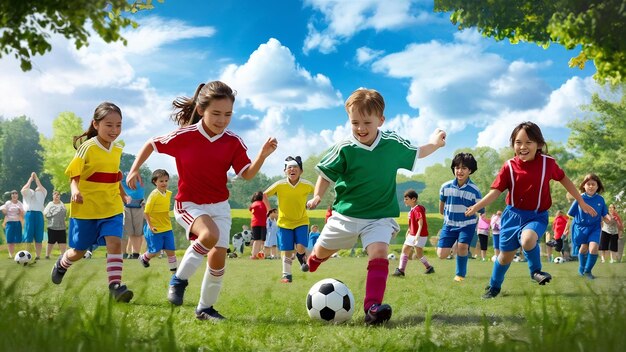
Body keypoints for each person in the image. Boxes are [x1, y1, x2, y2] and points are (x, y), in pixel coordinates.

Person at [126, 80, 277, 321]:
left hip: (219, 206)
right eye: (216, 113)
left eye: (228, 114)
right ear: (201, 110)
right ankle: (179, 279)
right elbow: (151, 144)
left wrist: (262, 155)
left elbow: (246, 175)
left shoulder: (233, 142)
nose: (222, 119)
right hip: (189, 205)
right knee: (209, 235)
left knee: (218, 258)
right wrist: (133, 170)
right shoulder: (184, 136)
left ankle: (205, 309)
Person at [306, 88, 446, 325]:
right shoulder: (344, 148)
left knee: (379, 252)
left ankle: (372, 308)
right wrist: (317, 196)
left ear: (381, 120)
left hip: (379, 216)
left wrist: (434, 144)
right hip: (345, 216)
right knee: (320, 252)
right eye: (355, 123)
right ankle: (315, 259)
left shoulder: (391, 143)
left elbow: (417, 152)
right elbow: (326, 174)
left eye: (366, 122)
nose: (360, 128)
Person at [466, 121, 596, 299]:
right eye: (518, 142)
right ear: (513, 145)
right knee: (504, 257)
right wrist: (476, 206)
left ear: (539, 144)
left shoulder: (548, 164)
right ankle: (494, 287)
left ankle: (535, 271)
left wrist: (581, 201)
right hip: (512, 216)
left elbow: (564, 179)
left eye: (529, 142)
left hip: (536, 216)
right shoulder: (509, 167)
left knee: (528, 240)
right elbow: (495, 192)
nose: (523, 147)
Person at [50, 102, 134, 302]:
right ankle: (62, 264)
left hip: (111, 206)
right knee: (78, 251)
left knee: (114, 242)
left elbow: (114, 175)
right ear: (95, 124)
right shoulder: (87, 147)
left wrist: (122, 194)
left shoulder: (118, 148)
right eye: (109, 125)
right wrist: (75, 190)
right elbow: (73, 174)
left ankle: (115, 287)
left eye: (118, 125)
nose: (114, 130)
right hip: (86, 207)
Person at [263, 156, 314, 283]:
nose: (292, 169)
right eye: (289, 167)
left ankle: (300, 255)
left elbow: (318, 191)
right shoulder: (280, 185)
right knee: (286, 250)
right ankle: (287, 275)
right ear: (285, 171)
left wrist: (314, 201)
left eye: (295, 167)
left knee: (301, 247)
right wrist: (269, 210)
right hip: (284, 223)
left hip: (301, 221)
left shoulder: (306, 185)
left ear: (301, 171)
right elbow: (264, 194)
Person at [436, 153, 483, 282]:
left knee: (462, 246)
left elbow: (480, 209)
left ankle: (460, 274)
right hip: (449, 224)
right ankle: (454, 243)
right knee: (441, 255)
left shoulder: (475, 190)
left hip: (467, 224)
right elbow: (442, 204)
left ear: (470, 170)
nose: (459, 171)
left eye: (463, 168)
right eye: (457, 168)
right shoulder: (445, 187)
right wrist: (445, 215)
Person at [567, 174, 611, 279]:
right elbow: (570, 215)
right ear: (584, 186)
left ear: (597, 186)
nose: (591, 186)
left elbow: (604, 213)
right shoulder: (579, 198)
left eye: (593, 184)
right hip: (581, 228)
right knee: (583, 248)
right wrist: (566, 229)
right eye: (588, 184)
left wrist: (608, 218)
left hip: (595, 227)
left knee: (593, 248)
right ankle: (582, 267)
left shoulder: (600, 199)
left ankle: (588, 271)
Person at [138, 169, 177, 272]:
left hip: (167, 227)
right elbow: (146, 212)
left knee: (171, 250)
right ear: (155, 182)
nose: (164, 183)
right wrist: (150, 226)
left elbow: (165, 211)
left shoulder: (168, 194)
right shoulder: (153, 195)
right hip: (155, 228)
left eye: (166, 180)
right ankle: (144, 258)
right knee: (155, 251)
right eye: (161, 181)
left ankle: (174, 273)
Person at [392, 189, 434, 277]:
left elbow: (420, 223)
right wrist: (408, 231)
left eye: (406, 199)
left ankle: (429, 267)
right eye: (404, 199)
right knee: (406, 250)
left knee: (418, 254)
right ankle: (401, 270)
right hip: (412, 234)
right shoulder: (412, 210)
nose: (404, 201)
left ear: (413, 199)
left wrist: (417, 235)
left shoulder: (417, 209)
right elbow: (412, 224)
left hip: (419, 235)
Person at [21, 172, 47, 260]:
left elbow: (41, 187)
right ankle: (26, 255)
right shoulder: (28, 195)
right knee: (28, 236)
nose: (37, 190)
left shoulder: (43, 193)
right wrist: (30, 179)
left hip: (39, 215)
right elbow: (24, 189)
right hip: (30, 214)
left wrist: (36, 179)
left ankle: (38, 256)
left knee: (39, 237)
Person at [121, 171, 145, 259]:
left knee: (137, 232)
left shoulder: (140, 182)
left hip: (138, 206)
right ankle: (124, 253)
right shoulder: (122, 182)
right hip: (125, 206)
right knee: (127, 231)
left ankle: (135, 253)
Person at [43, 190, 67, 259]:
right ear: (53, 196)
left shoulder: (62, 204)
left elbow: (65, 213)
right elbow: (45, 213)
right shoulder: (50, 204)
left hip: (61, 227)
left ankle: (63, 255)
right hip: (52, 226)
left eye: (58, 194)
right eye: (55, 194)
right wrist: (53, 214)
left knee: (62, 242)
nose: (57, 195)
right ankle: (47, 255)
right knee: (51, 242)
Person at [1, 190, 24, 258]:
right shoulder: (8, 203)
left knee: (18, 240)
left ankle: (18, 255)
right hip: (9, 223)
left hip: (17, 222)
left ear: (17, 195)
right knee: (10, 239)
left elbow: (22, 213)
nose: (14, 195)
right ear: (11, 196)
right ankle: (11, 254)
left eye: (16, 194)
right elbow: (4, 212)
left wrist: (20, 212)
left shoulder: (20, 203)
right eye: (13, 194)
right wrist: (4, 210)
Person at [248, 191, 267, 259]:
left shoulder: (253, 204)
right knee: (261, 240)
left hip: (254, 223)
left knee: (256, 239)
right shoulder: (262, 204)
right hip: (262, 223)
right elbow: (265, 211)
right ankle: (258, 254)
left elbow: (250, 209)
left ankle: (254, 254)